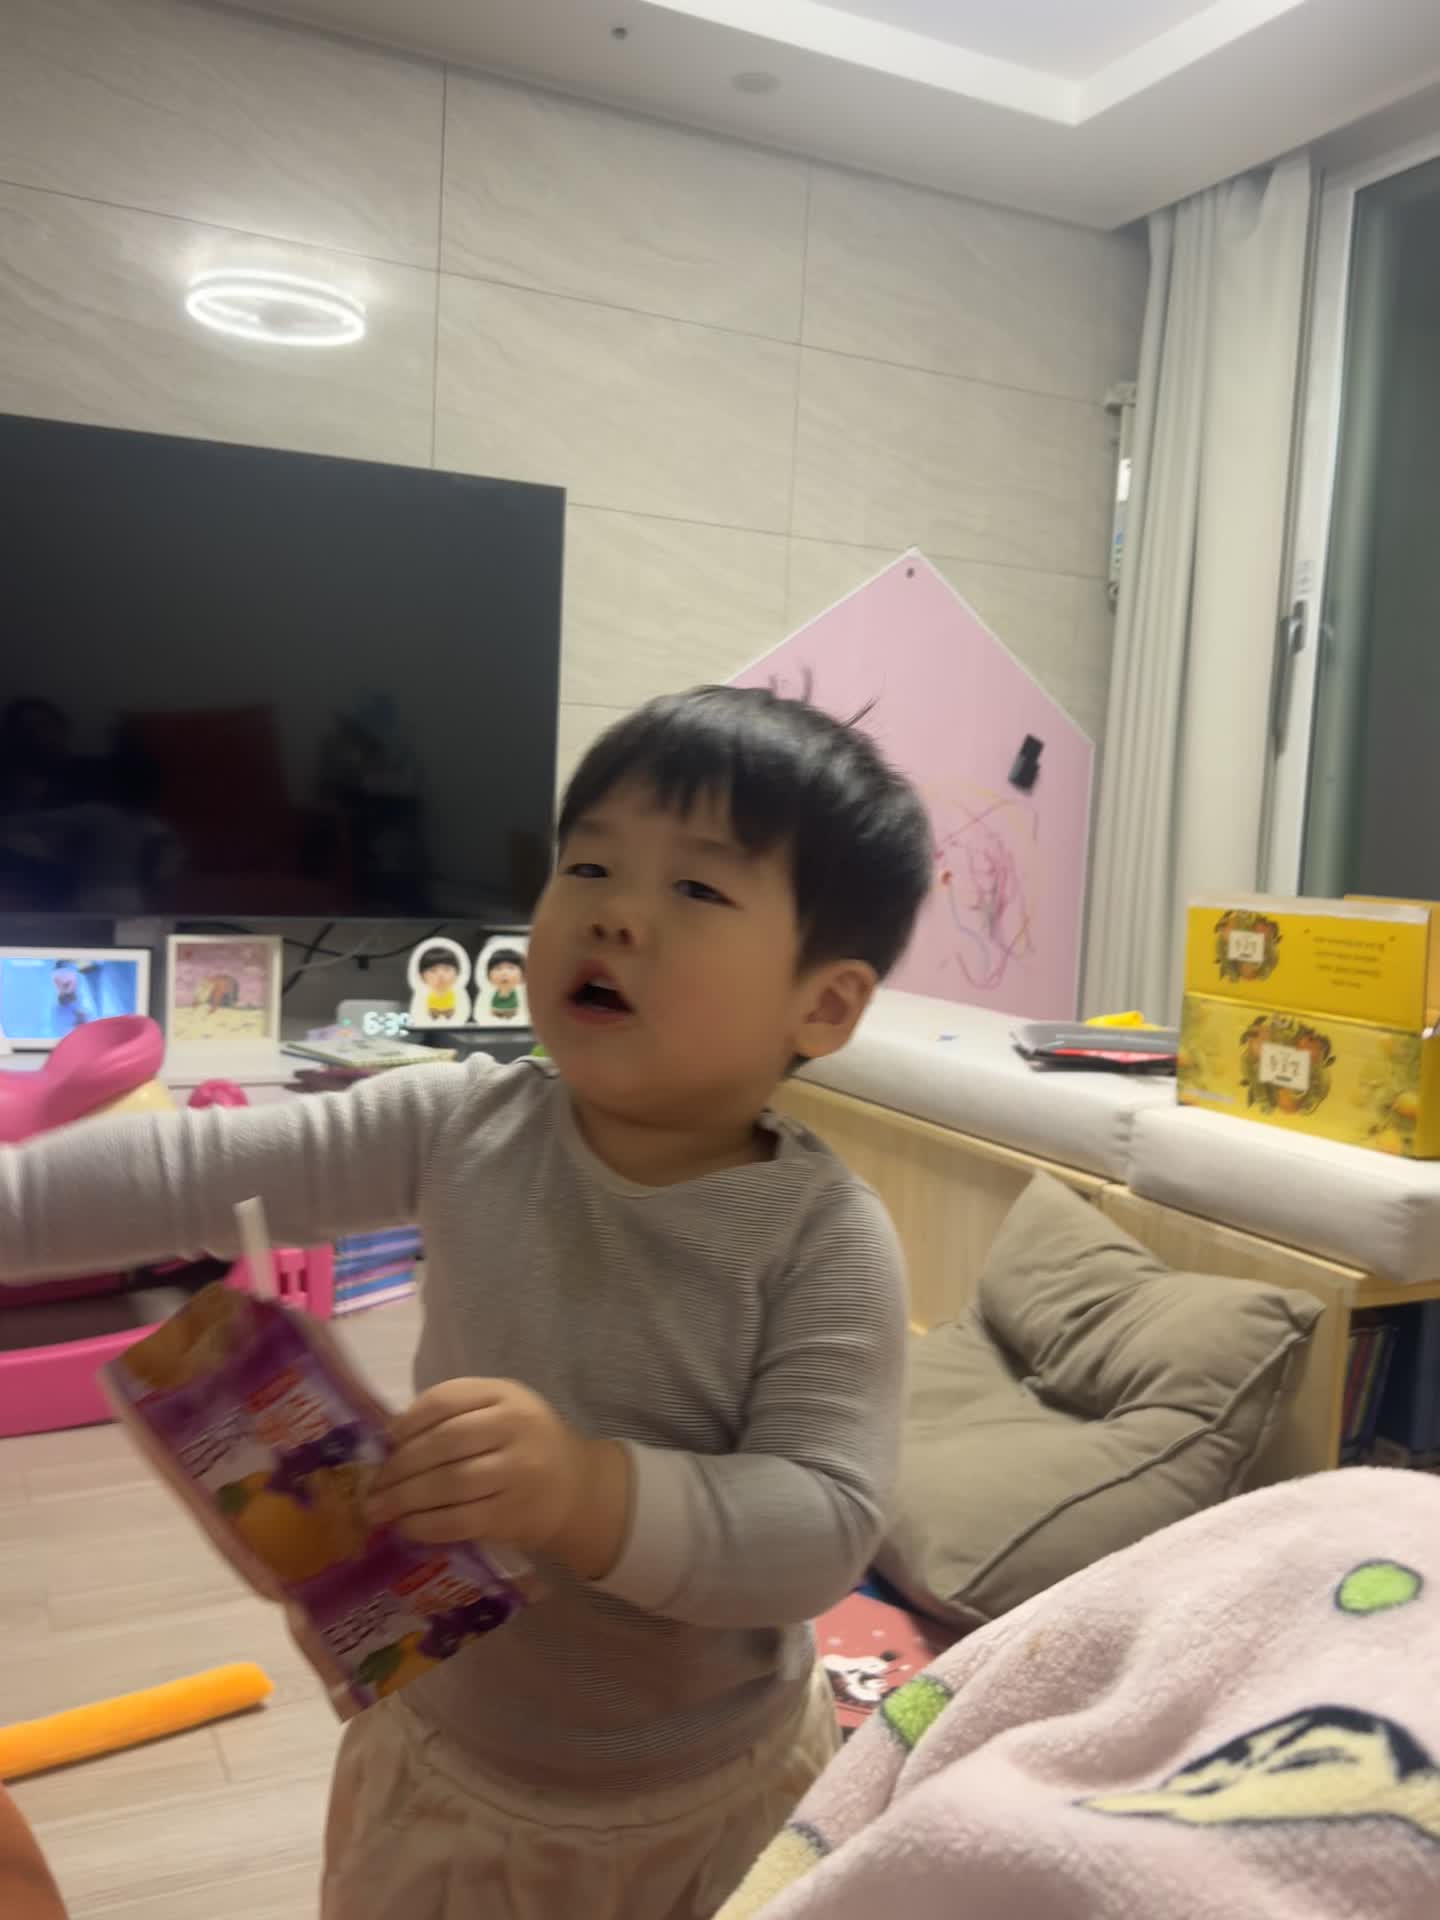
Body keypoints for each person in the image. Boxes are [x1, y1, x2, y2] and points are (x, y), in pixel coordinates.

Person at [0, 686, 934, 1920]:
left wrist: (587, 1492)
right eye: (588, 864)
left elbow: (823, 1527)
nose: (614, 911)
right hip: (443, 1760)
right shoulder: (460, 1123)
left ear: (823, 1003)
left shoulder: (827, 1240)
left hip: (710, 1798)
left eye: (696, 888)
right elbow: (191, 1168)